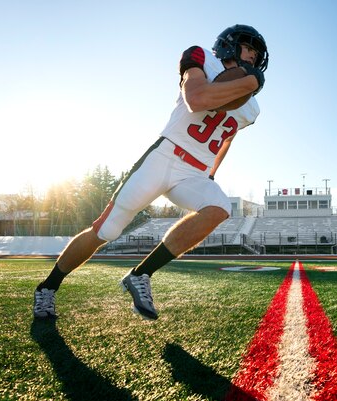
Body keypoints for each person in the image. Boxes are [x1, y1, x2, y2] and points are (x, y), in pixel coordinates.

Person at [33, 24, 268, 321]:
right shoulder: (201, 57)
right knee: (106, 230)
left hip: (194, 172)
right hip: (165, 156)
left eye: (257, 54)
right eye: (249, 48)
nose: (253, 57)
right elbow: (196, 99)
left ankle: (140, 274)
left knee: (219, 208)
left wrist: (211, 172)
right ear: (229, 45)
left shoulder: (252, 109)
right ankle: (47, 288)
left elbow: (227, 138)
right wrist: (247, 85)